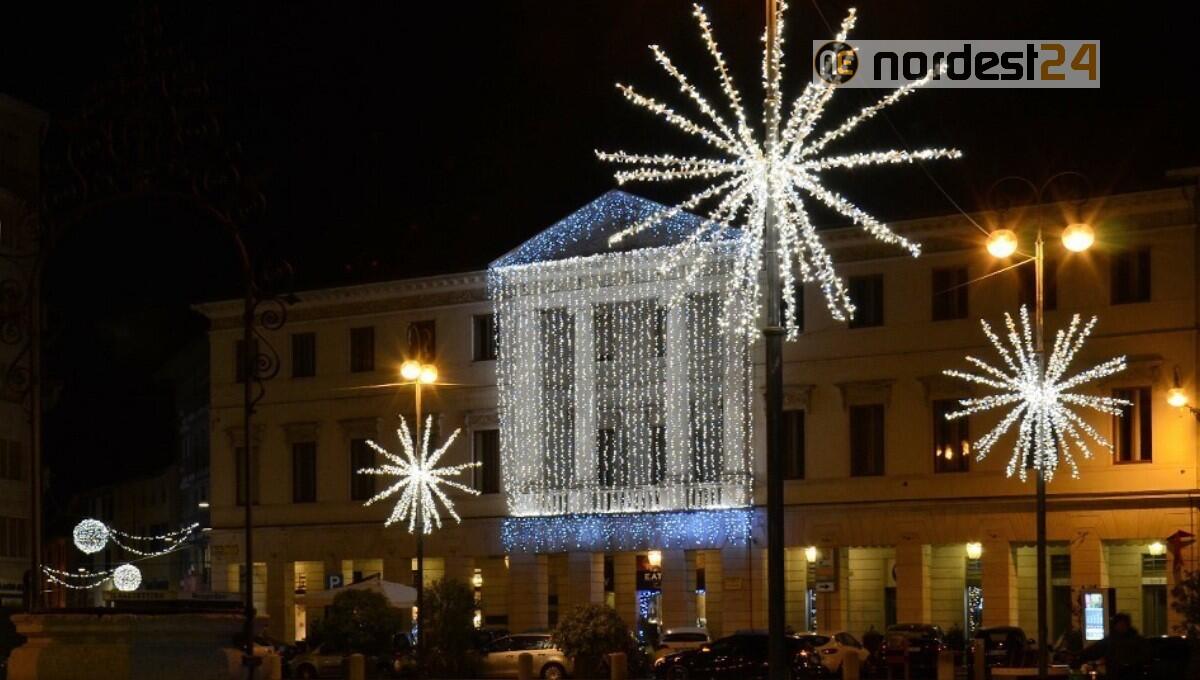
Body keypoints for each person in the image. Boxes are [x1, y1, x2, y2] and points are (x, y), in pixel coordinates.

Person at [1075, 613, 1147, 679]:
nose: (1121, 626)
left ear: (1127, 625)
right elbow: (1094, 650)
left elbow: (1144, 656)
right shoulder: (1110, 640)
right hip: (1115, 675)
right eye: (1119, 624)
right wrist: (1078, 655)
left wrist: (1130, 664)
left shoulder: (1136, 640)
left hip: (1131, 675)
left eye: (1123, 624)